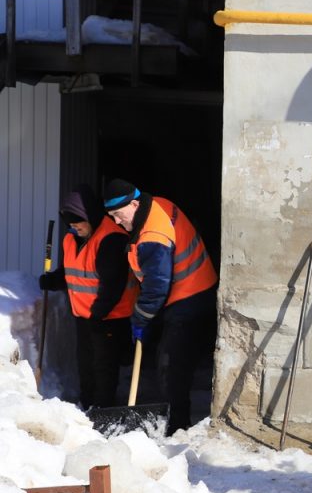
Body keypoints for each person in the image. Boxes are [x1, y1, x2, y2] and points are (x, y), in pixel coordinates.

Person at [103, 179, 218, 433]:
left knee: (171, 365)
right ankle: (176, 418)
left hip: (189, 295)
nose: (117, 222)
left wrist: (141, 318)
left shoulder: (152, 236)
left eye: (119, 215)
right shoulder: (157, 204)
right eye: (112, 217)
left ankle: (177, 427)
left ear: (134, 204)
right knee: (174, 359)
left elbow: (157, 286)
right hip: (195, 286)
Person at [38, 184, 137, 409]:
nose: (74, 228)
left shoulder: (111, 239)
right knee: (86, 364)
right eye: (70, 225)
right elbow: (71, 273)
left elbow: (113, 285)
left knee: (104, 367)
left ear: (90, 216)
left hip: (109, 315)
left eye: (77, 223)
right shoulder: (72, 239)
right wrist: (51, 281)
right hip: (84, 316)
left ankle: (103, 409)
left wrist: (98, 314)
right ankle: (87, 404)